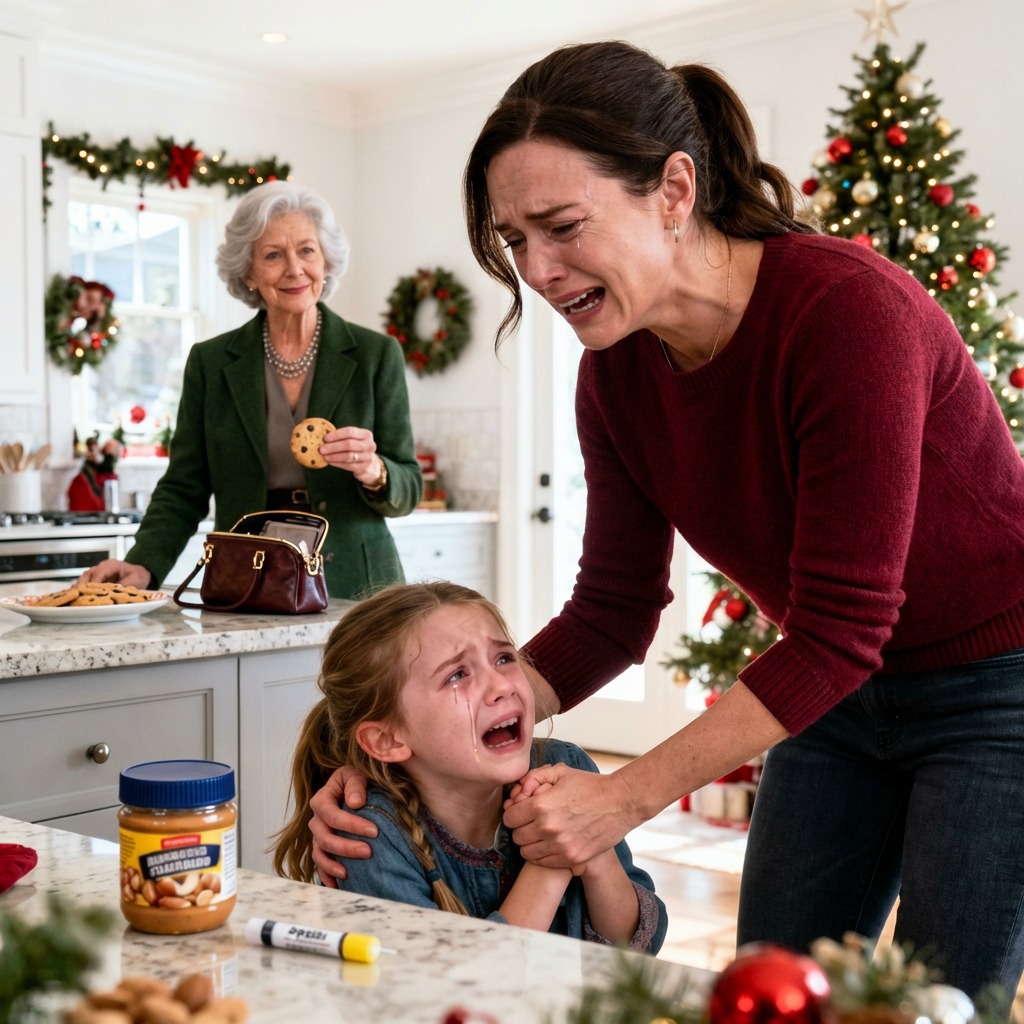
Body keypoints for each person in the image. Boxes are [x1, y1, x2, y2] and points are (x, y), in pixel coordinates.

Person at [306, 40, 1024, 999]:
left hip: (996, 689)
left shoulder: (847, 315)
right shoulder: (616, 376)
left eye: (562, 226)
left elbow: (844, 628)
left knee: (942, 1002)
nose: (540, 270)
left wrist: (618, 800)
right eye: (516, 240)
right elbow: (613, 607)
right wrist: (397, 749)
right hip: (839, 699)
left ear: (675, 190)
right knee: (770, 990)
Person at [271, 580, 666, 952]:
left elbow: (637, 946)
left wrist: (594, 850)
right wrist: (551, 862)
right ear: (387, 740)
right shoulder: (370, 835)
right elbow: (457, 990)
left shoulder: (567, 768)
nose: (503, 685)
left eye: (504, 658)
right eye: (457, 674)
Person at [78, 180, 422, 599]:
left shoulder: (375, 354)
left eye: (307, 250)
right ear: (248, 272)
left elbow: (409, 487)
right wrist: (144, 563)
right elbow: (184, 487)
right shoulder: (211, 362)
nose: (295, 268)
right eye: (274, 255)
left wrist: (374, 470)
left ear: (326, 260)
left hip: (360, 585)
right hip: (246, 580)